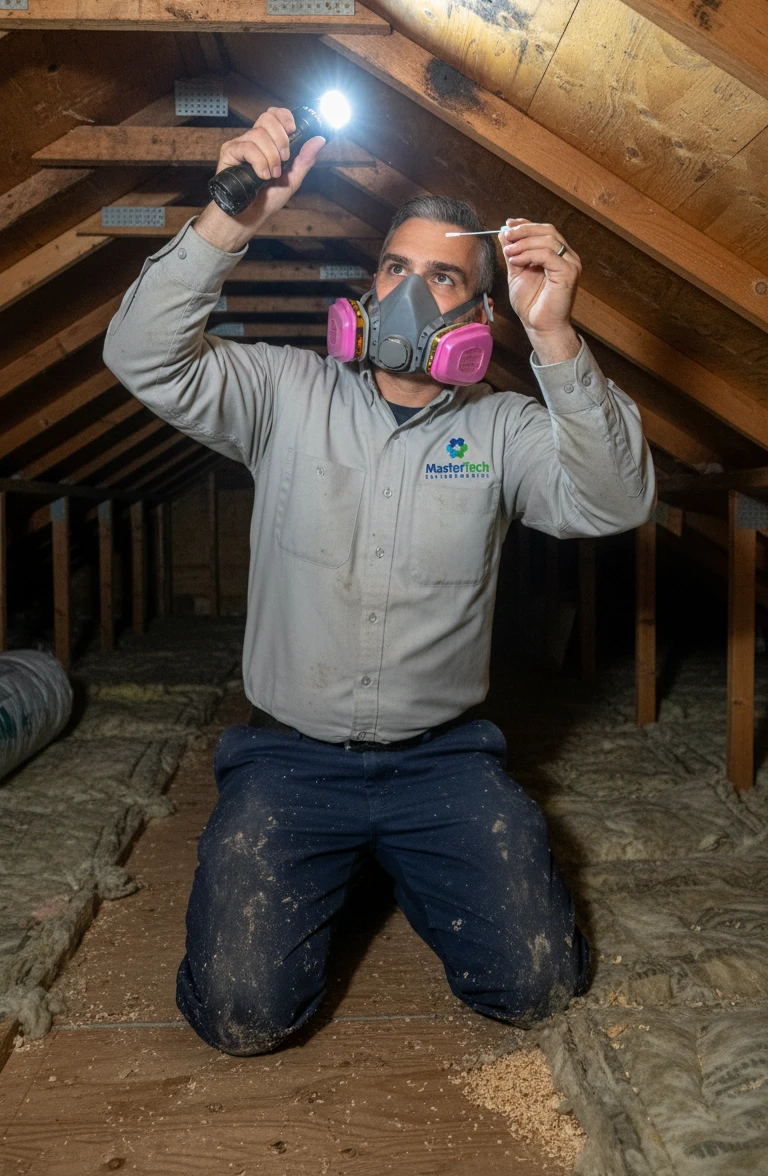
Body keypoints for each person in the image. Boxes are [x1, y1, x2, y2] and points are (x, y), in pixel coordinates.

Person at [103, 105, 655, 1056]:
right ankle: (341, 862)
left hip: (442, 763)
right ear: (368, 288)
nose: (409, 290)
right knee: (242, 1015)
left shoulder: (503, 431)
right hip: (292, 760)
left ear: (479, 317)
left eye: (443, 277)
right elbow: (139, 354)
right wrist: (232, 214)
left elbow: (615, 500)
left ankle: (398, 861)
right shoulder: (286, 393)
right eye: (396, 268)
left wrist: (557, 339)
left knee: (535, 985)